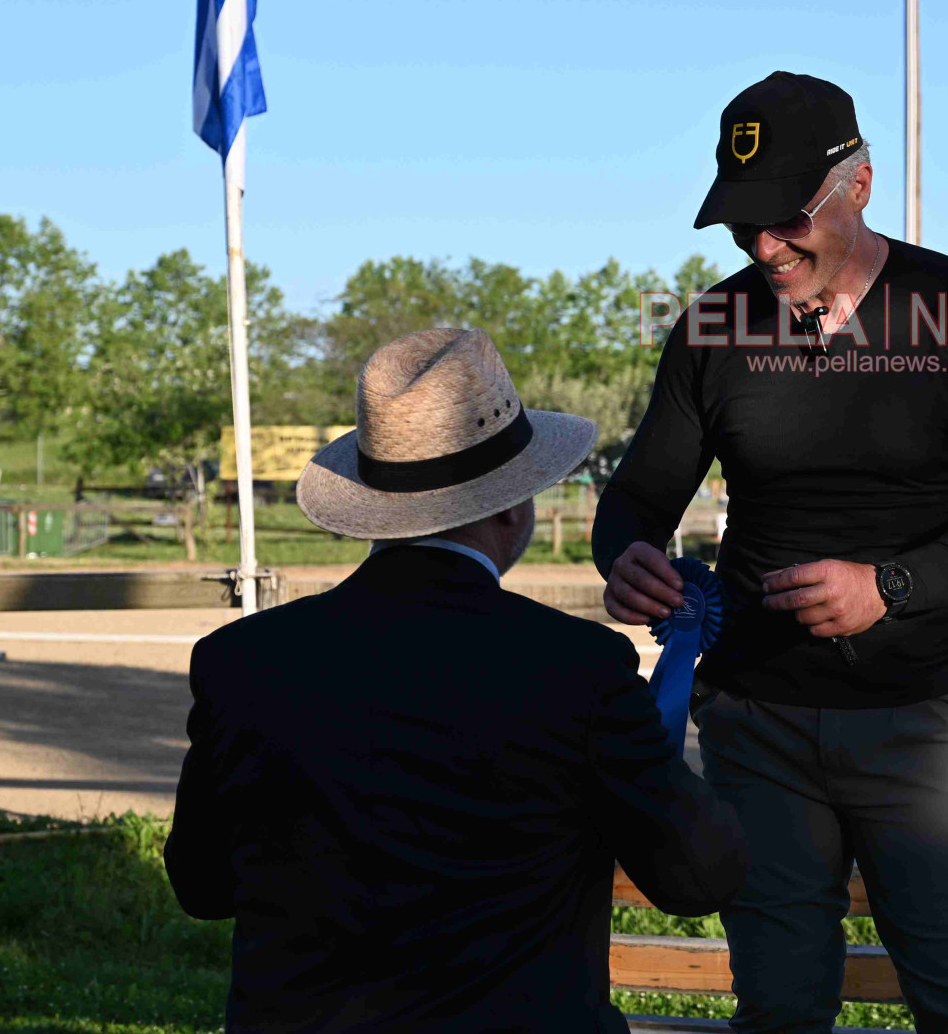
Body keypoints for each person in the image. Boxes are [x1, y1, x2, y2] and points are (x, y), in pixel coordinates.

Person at [594, 72, 948, 1033]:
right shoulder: (712, 327)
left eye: (786, 219)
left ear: (861, 185)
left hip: (919, 722)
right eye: (742, 225)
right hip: (753, 725)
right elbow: (639, 495)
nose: (764, 247)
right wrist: (625, 552)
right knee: (779, 1008)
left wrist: (890, 587)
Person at [166, 327, 744, 1034]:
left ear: (374, 508)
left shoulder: (239, 661)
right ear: (514, 504)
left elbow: (202, 885)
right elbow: (696, 877)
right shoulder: (579, 668)